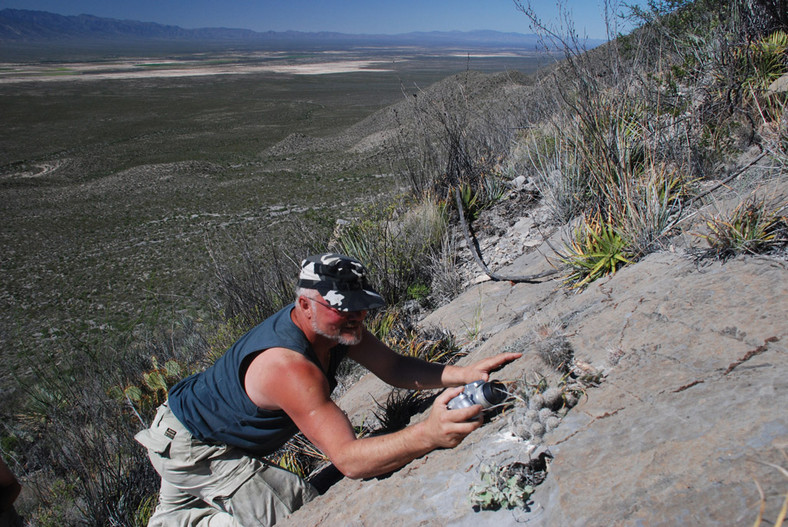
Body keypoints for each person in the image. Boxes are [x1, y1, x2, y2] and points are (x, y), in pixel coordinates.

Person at [136, 253, 521, 526]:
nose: (355, 314)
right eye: (341, 306)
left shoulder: (337, 326)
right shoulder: (290, 367)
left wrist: (463, 372)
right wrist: (430, 434)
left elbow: (395, 367)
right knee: (299, 510)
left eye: (360, 305)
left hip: (189, 423)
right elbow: (350, 461)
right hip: (198, 448)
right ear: (305, 304)